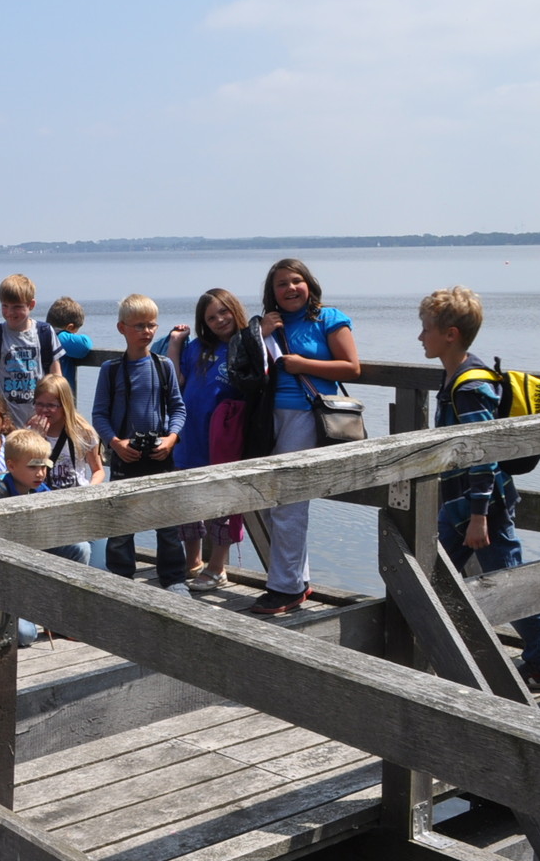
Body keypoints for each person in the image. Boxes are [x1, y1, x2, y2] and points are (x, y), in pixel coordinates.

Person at [420, 286, 540, 692]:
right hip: (469, 503)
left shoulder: (469, 387)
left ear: (450, 334)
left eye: (426, 329)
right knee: (479, 576)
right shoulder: (462, 372)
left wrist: (479, 516)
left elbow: (484, 452)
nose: (420, 337)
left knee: (438, 576)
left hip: (477, 504)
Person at [252, 259, 359, 615]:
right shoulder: (269, 323)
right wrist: (259, 333)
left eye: (296, 281)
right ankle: (297, 580)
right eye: (281, 284)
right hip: (269, 419)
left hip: (307, 414)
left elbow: (351, 367)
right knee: (269, 502)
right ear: (273, 293)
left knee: (288, 502)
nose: (290, 288)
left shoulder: (328, 318)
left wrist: (303, 365)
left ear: (309, 284)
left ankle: (284, 588)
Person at [91, 294, 189, 595]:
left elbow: (178, 408)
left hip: (161, 455)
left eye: (151, 325)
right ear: (122, 328)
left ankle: (173, 578)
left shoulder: (163, 366)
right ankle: (121, 580)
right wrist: (116, 443)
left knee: (168, 522)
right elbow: (99, 414)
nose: (146, 331)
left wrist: (171, 438)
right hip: (125, 455)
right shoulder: (111, 369)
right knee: (121, 524)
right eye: (138, 326)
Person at [163, 289, 250, 592]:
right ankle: (194, 561)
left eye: (224, 312)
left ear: (234, 310)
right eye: (211, 317)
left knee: (222, 505)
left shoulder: (245, 345)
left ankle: (218, 567)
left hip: (223, 439)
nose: (219, 320)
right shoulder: (198, 347)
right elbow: (177, 380)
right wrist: (174, 344)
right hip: (190, 435)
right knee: (186, 502)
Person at [0, 427, 88, 645]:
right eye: (33, 466)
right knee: (26, 636)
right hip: (3, 570)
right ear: (11, 466)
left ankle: (61, 616)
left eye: (44, 465)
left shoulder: (40, 489)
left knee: (80, 548)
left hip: (29, 559)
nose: (40, 472)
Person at [0, 274, 61, 427]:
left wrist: (47, 411)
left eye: (17, 307)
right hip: (6, 418)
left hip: (39, 417)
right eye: (5, 306)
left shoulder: (45, 332)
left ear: (31, 305)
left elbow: (57, 377)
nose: (9, 312)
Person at [29, 374, 105, 493]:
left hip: (76, 496)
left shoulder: (84, 432)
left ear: (65, 405)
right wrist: (36, 440)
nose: (44, 410)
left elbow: (98, 470)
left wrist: (89, 490)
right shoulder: (29, 432)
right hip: (42, 497)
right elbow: (24, 470)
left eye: (51, 405)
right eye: (39, 404)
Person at [47, 297, 93, 392]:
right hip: (59, 395)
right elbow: (85, 345)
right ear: (70, 327)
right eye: (74, 332)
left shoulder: (41, 333)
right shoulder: (60, 337)